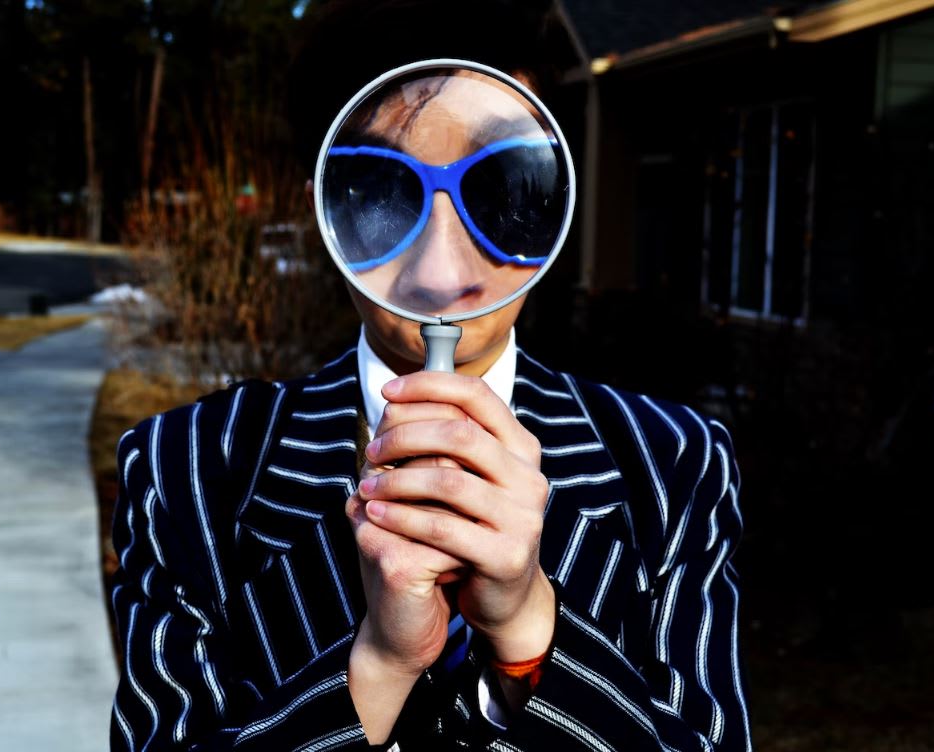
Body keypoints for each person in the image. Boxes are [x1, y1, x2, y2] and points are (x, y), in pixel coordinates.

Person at [109, 1, 752, 750]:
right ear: (324, 205)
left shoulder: (674, 464)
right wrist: (378, 665)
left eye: (500, 184)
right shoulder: (185, 470)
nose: (441, 274)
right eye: (382, 191)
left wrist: (530, 630)